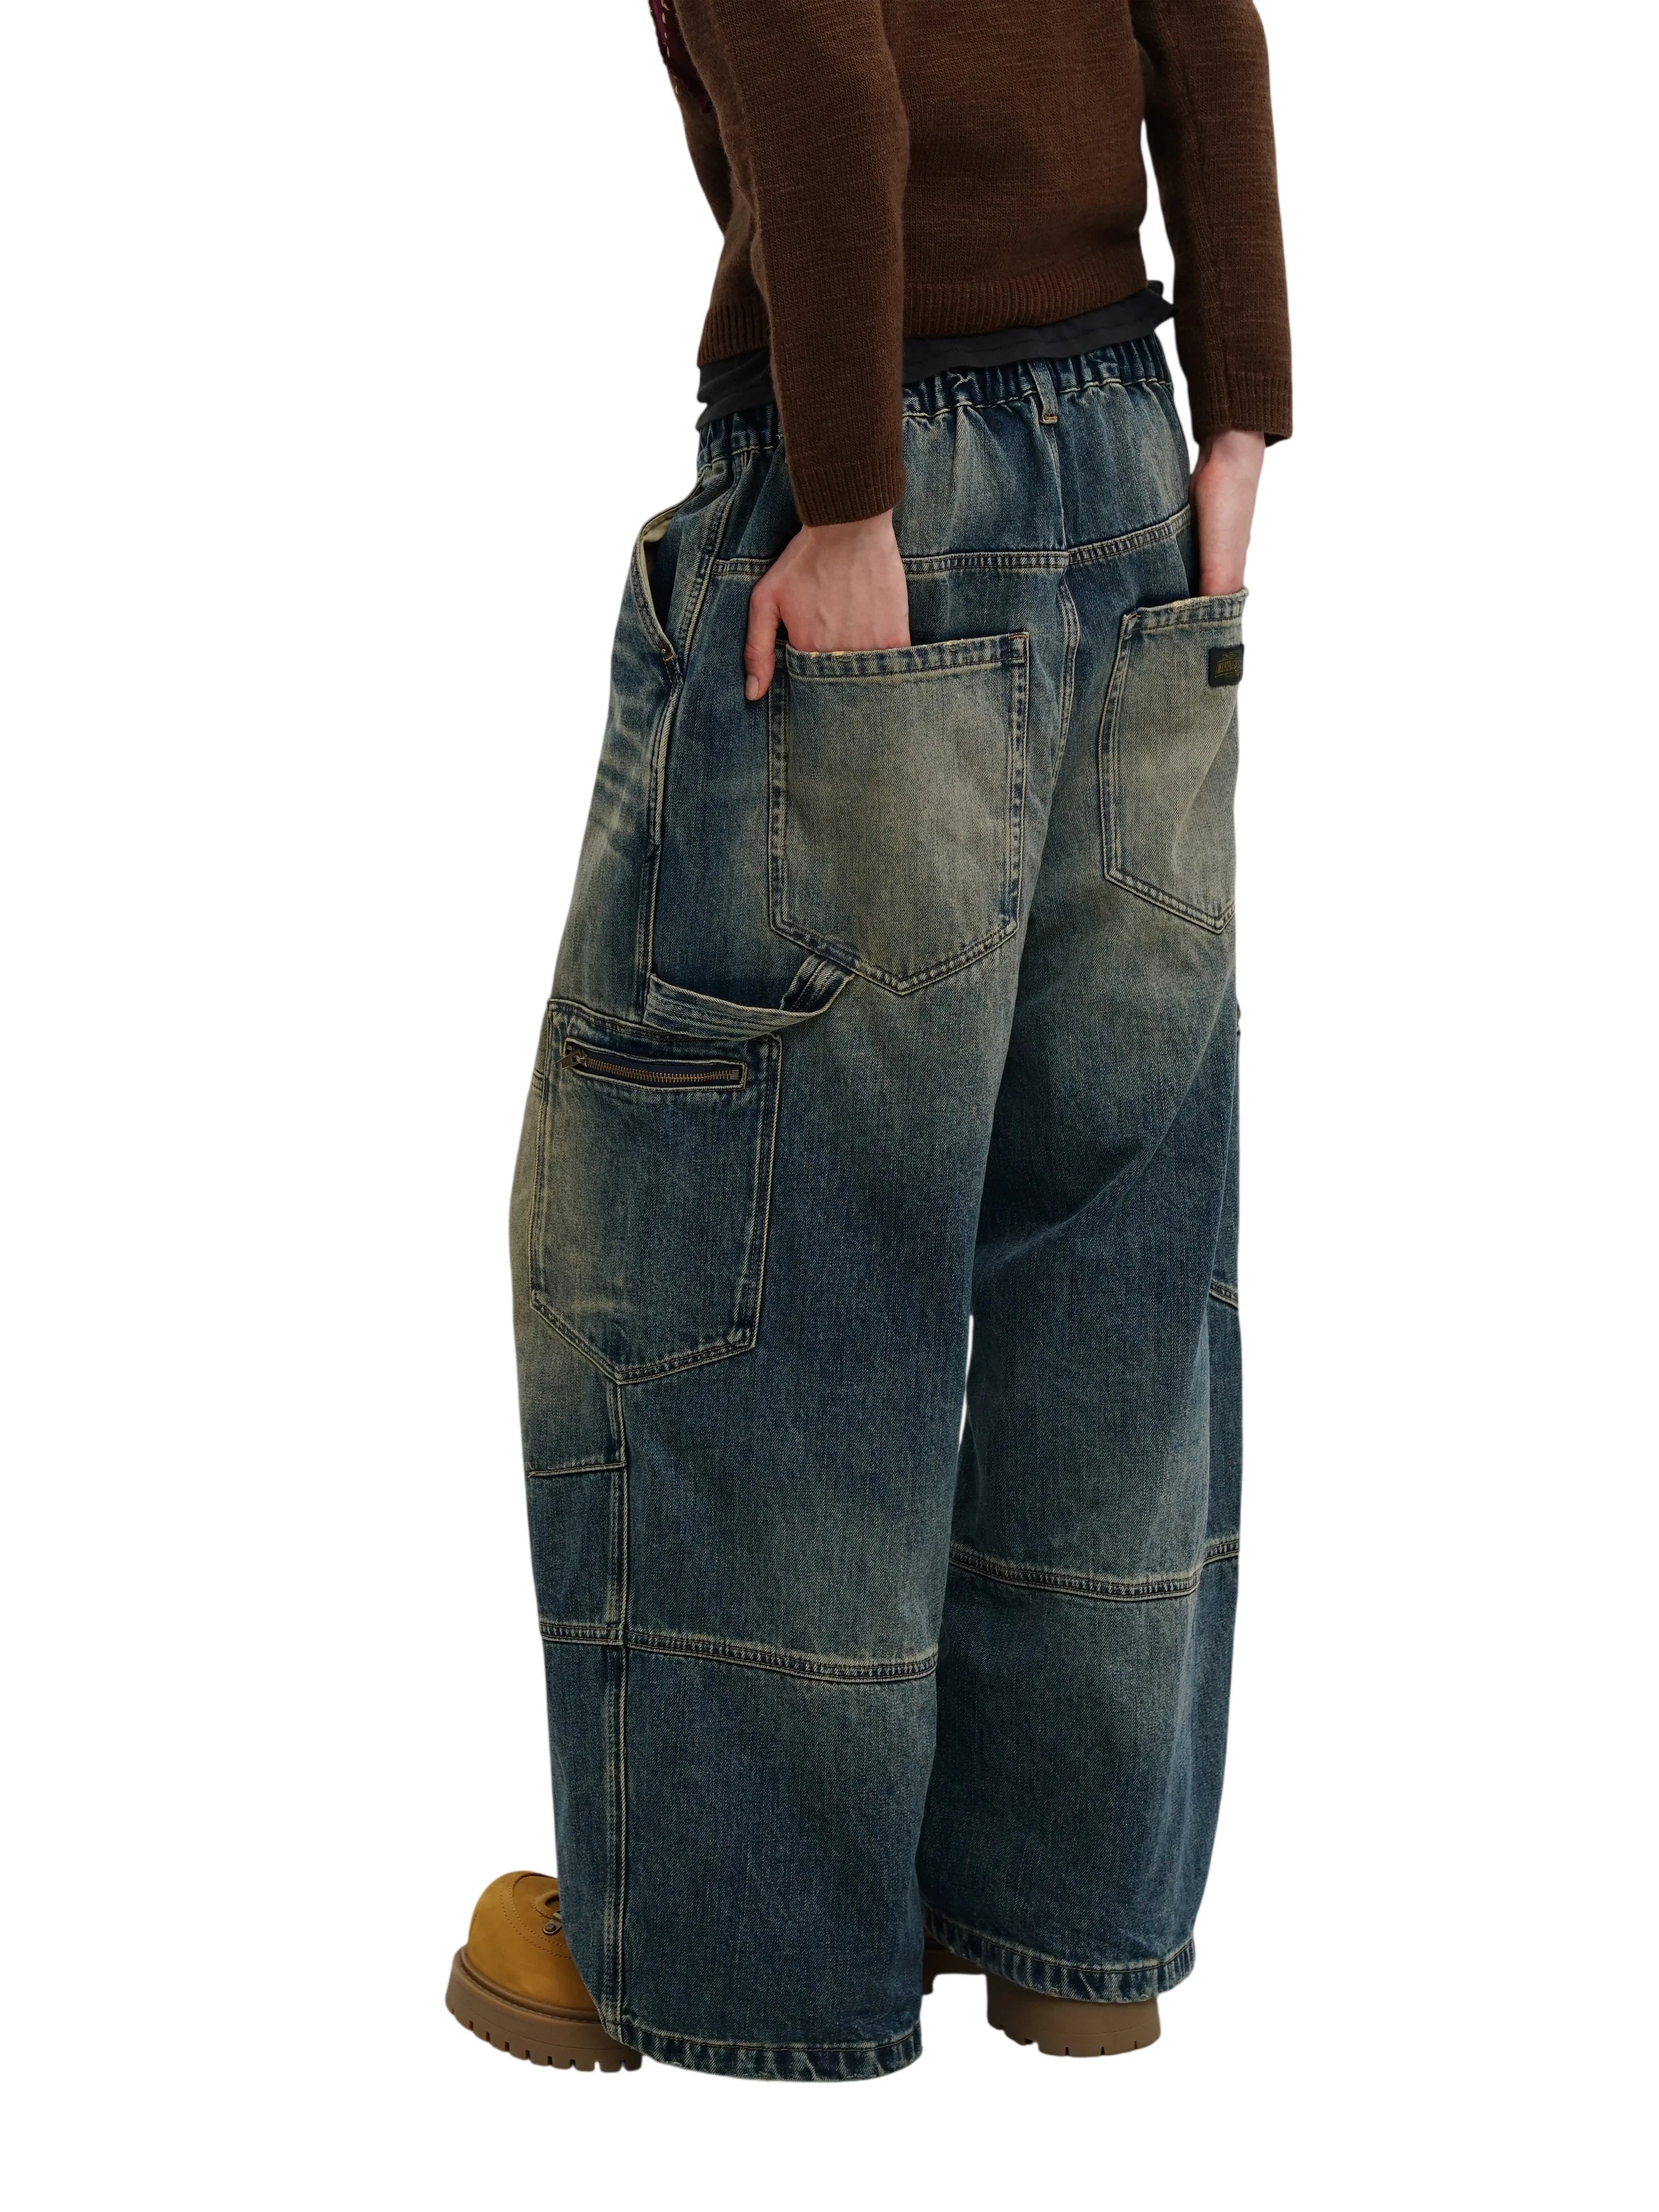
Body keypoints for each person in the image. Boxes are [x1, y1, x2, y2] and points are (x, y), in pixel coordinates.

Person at [445, 0, 1290, 2079]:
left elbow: (828, 68)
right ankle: (1071, 1929)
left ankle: (740, 1953)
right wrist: (1240, 408)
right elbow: (1208, 23)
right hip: (1135, 461)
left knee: (748, 1237)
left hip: (882, 488)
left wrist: (842, 498)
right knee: (1108, 1226)